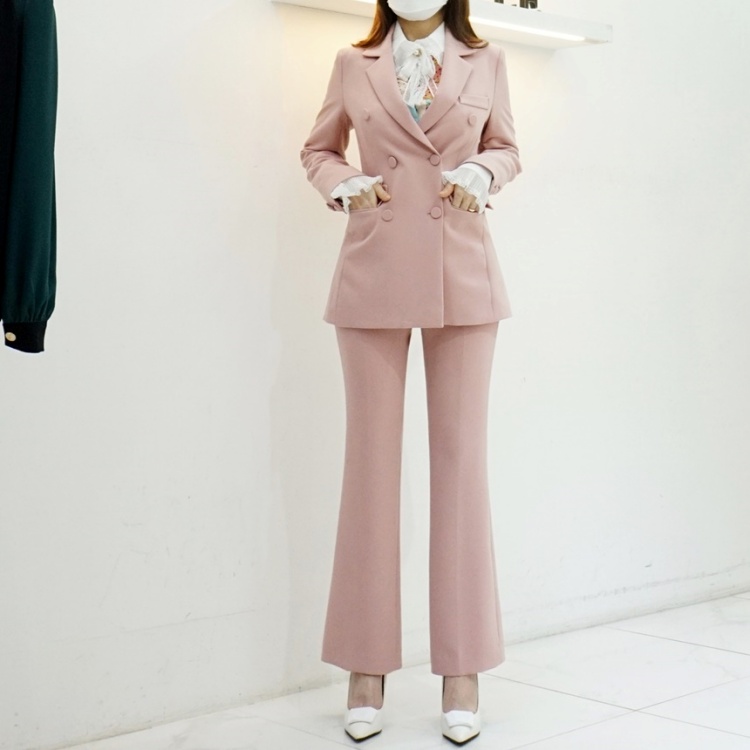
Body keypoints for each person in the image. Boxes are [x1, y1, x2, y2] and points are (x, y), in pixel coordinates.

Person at [300, 0, 521, 743]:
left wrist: (484, 170)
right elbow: (319, 149)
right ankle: (365, 667)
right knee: (370, 468)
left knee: (462, 469)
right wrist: (343, 184)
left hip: (462, 270)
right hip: (374, 268)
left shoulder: (487, 60)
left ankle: (463, 670)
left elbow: (508, 147)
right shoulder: (352, 62)